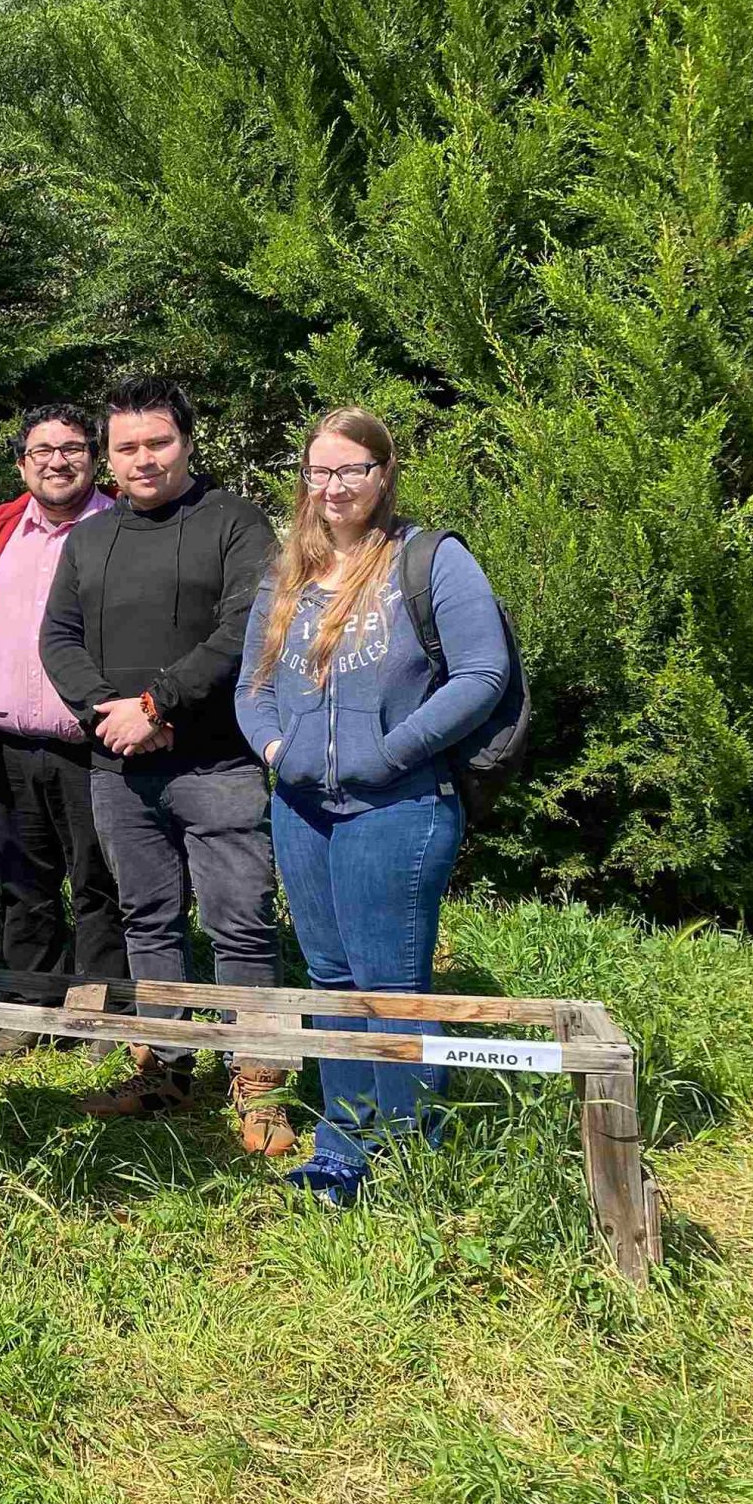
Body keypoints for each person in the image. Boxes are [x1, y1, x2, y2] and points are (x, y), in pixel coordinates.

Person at [238, 408, 512, 1204]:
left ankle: (417, 1156)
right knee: (328, 978)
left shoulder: (430, 561)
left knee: (388, 982)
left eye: (350, 470)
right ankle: (344, 1146)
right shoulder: (285, 570)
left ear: (383, 474)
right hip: (302, 809)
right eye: (319, 471)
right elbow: (252, 686)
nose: (332, 487)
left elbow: (481, 674)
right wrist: (277, 752)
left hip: (397, 807)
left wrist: (387, 753)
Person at [40, 375, 281, 1132]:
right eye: (127, 447)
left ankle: (259, 1079)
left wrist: (158, 705)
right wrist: (110, 717)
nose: (142, 460)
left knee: (240, 920)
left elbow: (247, 627)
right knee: (149, 919)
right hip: (121, 768)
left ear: (186, 441)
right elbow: (58, 638)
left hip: (217, 763)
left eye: (158, 442)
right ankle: (164, 1070)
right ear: (109, 458)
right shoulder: (92, 536)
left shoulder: (235, 523)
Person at [0, 406, 127, 1048]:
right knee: (21, 881)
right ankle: (30, 1009)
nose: (57, 461)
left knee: (100, 881)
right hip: (6, 744)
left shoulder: (122, 527)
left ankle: (98, 1012)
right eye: (42, 450)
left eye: (72, 448)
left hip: (94, 745)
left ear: (94, 457)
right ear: (21, 463)